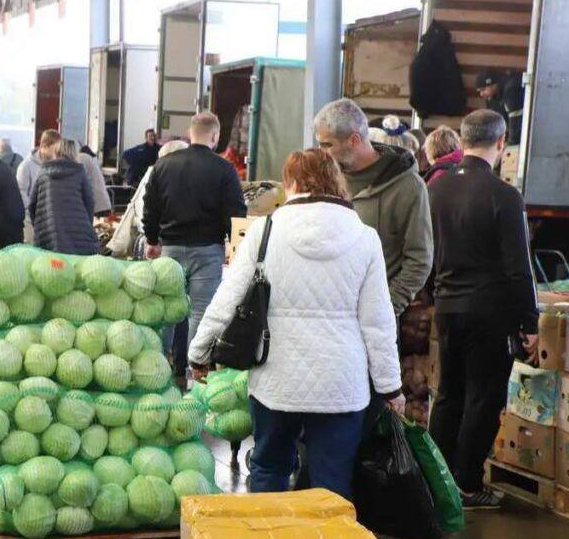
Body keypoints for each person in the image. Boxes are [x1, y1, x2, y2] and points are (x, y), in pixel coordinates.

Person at [188, 149, 405, 499]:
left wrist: (199, 352)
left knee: (269, 467)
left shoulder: (264, 231)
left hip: (276, 379)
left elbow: (228, 297)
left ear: (290, 183)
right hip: (341, 385)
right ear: (336, 180)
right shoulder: (366, 238)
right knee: (331, 482)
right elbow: (378, 323)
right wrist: (391, 386)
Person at [428, 109, 538, 509]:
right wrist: (530, 321)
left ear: (461, 138)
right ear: (502, 141)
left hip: (447, 307)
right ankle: (468, 485)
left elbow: (427, 255)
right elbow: (518, 268)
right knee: (483, 397)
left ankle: (437, 480)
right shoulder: (504, 196)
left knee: (448, 395)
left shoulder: (434, 190)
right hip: (490, 313)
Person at [314, 98, 433, 320]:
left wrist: (384, 308)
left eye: (327, 145)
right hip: (327, 319)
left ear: (354, 139)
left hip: (375, 325)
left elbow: (419, 259)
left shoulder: (408, 187)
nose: (321, 152)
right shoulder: (326, 180)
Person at [142, 112, 247, 349]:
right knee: (200, 313)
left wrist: (152, 239)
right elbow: (236, 215)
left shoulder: (164, 164)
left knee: (167, 310)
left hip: (169, 250)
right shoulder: (225, 169)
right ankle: (194, 372)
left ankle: (161, 363)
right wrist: (237, 250)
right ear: (215, 135)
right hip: (208, 250)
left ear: (190, 133)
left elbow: (151, 206)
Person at [107, 140, 189, 258]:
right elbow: (151, 211)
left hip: (149, 240)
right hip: (158, 244)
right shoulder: (165, 177)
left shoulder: (154, 173)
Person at [29, 139, 99, 255]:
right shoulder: (79, 172)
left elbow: (32, 204)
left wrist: (39, 226)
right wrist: (87, 225)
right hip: (78, 233)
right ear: (74, 153)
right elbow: (89, 202)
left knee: (51, 269)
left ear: (56, 151)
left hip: (49, 234)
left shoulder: (43, 172)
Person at [17, 130, 62, 242]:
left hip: (50, 218)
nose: (56, 153)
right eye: (54, 149)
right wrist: (33, 209)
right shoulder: (26, 166)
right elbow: (20, 190)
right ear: (44, 146)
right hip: (30, 219)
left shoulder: (56, 164)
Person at [476, 70, 524, 145]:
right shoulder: (492, 96)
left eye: (483, 90)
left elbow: (516, 125)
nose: (481, 94)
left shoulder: (511, 89)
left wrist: (510, 144)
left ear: (494, 85)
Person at [77, 144, 112, 215]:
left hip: (96, 206)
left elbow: (78, 177)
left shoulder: (82, 157)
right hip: (104, 204)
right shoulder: (94, 161)